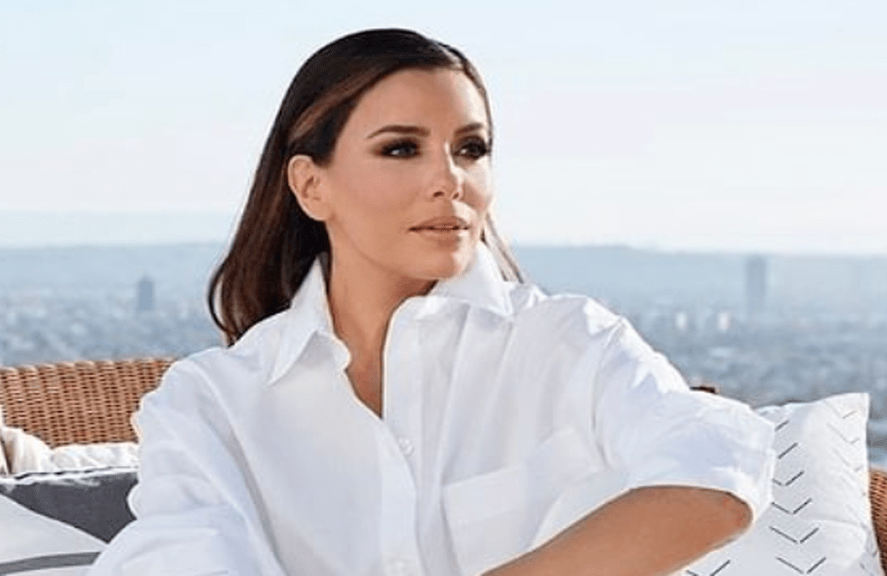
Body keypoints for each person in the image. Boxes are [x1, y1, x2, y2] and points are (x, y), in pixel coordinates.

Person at [88, 28, 775, 576]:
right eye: (400, 149)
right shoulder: (210, 404)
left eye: (471, 149)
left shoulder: (569, 343)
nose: (449, 180)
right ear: (311, 186)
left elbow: (716, 477)